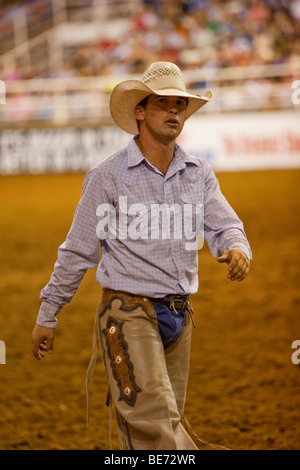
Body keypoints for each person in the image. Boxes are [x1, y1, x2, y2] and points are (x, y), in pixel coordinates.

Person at [32, 62, 251, 450]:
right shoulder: (107, 176)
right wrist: (48, 312)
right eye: (163, 103)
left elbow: (225, 224)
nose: (174, 112)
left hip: (178, 316)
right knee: (159, 431)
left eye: (180, 106)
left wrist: (236, 248)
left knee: (160, 425)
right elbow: (78, 249)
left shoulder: (198, 172)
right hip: (127, 313)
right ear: (140, 112)